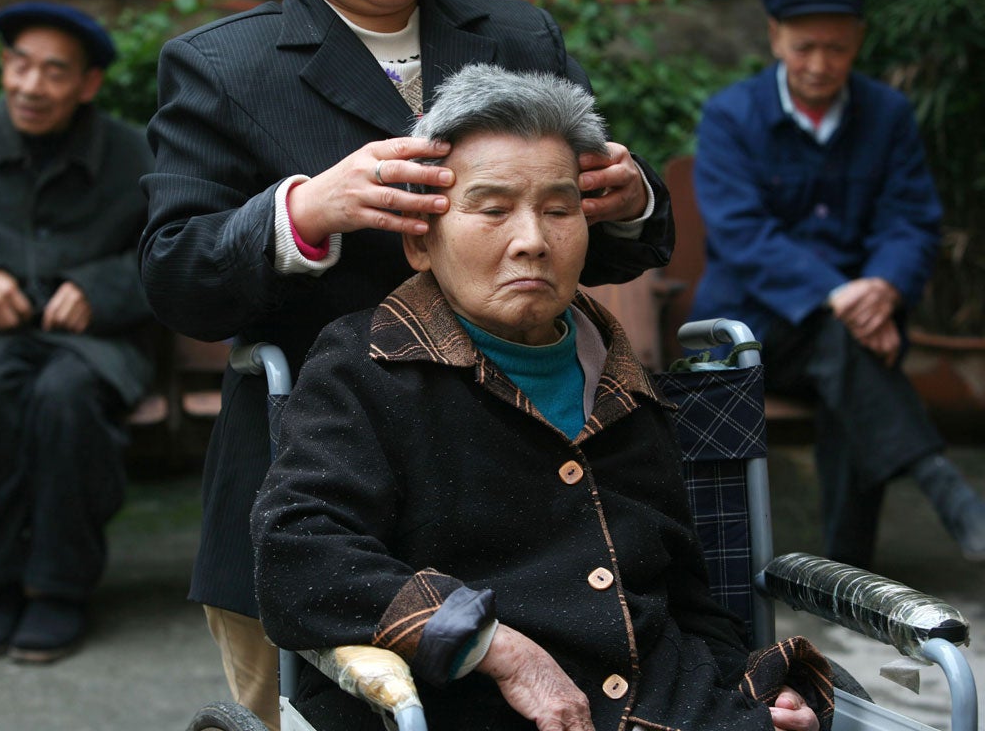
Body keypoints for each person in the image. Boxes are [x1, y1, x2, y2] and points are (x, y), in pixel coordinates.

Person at [140, 0, 674, 726]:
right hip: (326, 467)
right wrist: (305, 211)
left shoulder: (521, 36)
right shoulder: (226, 63)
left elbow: (590, 233)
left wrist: (630, 197)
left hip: (530, 476)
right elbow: (176, 276)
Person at [251, 64, 832, 731]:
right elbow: (298, 556)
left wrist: (752, 691)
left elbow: (686, 603)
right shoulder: (367, 369)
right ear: (420, 241)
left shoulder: (625, 386)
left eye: (559, 210)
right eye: (493, 209)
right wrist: (491, 645)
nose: (532, 240)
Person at [689, 0, 985, 569]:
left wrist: (881, 286)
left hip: (849, 331)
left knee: (845, 350)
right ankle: (932, 495)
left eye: (837, 47)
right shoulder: (730, 115)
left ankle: (850, 564)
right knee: (849, 344)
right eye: (805, 47)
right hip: (752, 332)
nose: (820, 63)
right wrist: (841, 293)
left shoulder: (888, 114)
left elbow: (910, 220)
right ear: (775, 38)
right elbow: (743, 235)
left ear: (860, 41)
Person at [0, 1, 155, 663]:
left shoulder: (134, 152)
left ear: (88, 84)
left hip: (92, 345)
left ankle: (57, 589)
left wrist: (98, 289)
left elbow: (171, 252)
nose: (29, 86)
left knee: (64, 397)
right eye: (18, 65)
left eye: (52, 71)